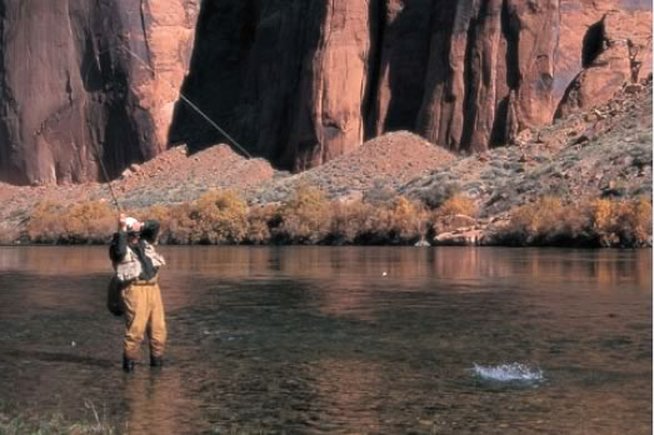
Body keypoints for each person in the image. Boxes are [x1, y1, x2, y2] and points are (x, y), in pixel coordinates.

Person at [109, 213, 167, 372]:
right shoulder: (117, 247)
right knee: (135, 333)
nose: (135, 237)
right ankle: (128, 370)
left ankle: (157, 370)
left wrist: (141, 225)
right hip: (134, 291)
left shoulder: (145, 242)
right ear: (126, 234)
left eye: (136, 234)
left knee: (159, 333)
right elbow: (120, 251)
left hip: (154, 290)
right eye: (132, 234)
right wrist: (121, 228)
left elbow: (155, 225)